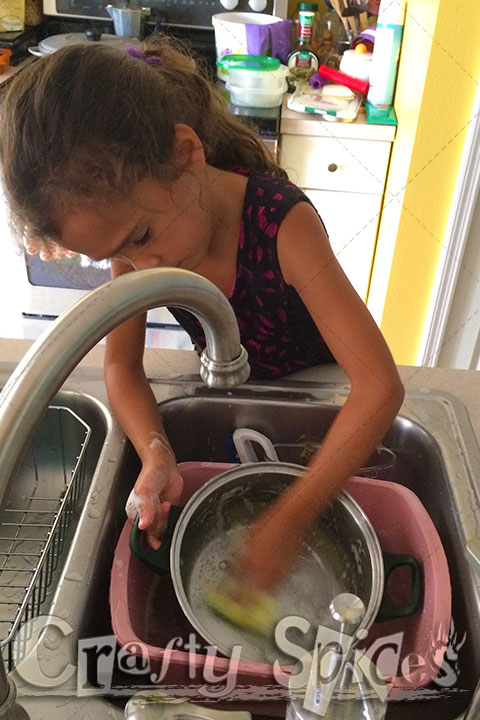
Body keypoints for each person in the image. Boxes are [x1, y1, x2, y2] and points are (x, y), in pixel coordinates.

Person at [0, 36, 404, 595]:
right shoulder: (136, 247)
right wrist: (156, 453)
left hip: (320, 393)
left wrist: (287, 521)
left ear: (186, 154)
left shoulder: (283, 225)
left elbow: (379, 388)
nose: (139, 268)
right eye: (117, 256)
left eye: (139, 239)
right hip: (240, 390)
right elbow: (122, 369)